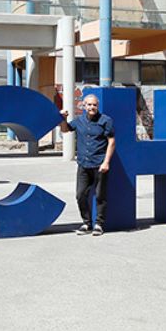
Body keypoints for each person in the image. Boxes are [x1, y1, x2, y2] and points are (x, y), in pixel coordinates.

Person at [60, 94, 115, 236]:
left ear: (98, 106)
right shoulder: (79, 121)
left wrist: (106, 162)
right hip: (83, 164)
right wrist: (63, 119)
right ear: (84, 106)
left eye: (94, 105)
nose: (92, 107)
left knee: (100, 196)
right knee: (80, 195)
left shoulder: (105, 121)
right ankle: (86, 223)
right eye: (89, 105)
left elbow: (111, 142)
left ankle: (99, 224)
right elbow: (65, 130)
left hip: (99, 164)